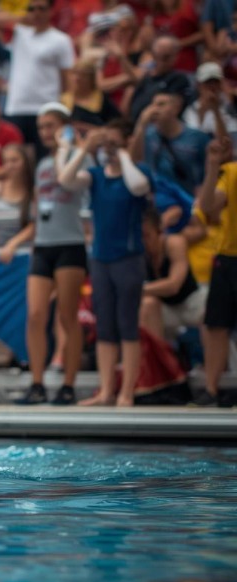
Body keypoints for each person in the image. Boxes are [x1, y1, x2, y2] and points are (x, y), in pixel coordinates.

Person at [59, 120, 153, 407]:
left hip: (128, 259)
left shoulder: (138, 173)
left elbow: (139, 188)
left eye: (114, 143)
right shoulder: (96, 175)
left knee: (127, 324)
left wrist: (123, 154)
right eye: (106, 144)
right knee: (105, 328)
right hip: (101, 259)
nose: (108, 150)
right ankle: (106, 390)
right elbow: (65, 179)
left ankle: (127, 392)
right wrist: (85, 148)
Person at [16, 102, 89, 406]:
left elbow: (66, 182)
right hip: (44, 245)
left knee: (67, 317)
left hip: (70, 243)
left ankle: (68, 384)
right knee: (34, 315)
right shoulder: (43, 165)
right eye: (42, 127)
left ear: (64, 127)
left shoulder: (78, 160)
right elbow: (36, 207)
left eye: (51, 126)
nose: (45, 132)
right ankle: (37, 383)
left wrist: (67, 146)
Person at [0, 0, 75, 154]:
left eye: (41, 9)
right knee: (18, 159)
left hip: (45, 106)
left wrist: (65, 106)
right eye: (32, 9)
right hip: (16, 106)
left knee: (44, 155)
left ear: (51, 11)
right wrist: (23, 16)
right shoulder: (20, 33)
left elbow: (67, 77)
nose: (36, 13)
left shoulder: (61, 40)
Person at [195, 136, 237, 406]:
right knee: (216, 326)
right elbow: (208, 207)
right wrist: (212, 167)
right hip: (228, 257)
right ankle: (211, 389)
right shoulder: (231, 172)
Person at [139, 207, 207, 342]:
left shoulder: (174, 242)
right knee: (147, 305)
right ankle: (156, 359)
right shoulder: (138, 253)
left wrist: (139, 289)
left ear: (159, 231)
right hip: (166, 309)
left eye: (147, 235)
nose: (143, 241)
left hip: (191, 302)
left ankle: (215, 360)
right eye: (139, 236)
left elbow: (174, 285)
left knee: (213, 306)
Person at [131, 89, 210, 196]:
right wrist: (141, 124)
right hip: (159, 199)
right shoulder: (149, 135)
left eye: (161, 104)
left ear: (176, 108)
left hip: (188, 198)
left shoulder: (196, 137)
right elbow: (135, 159)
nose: (154, 109)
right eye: (153, 104)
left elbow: (209, 170)